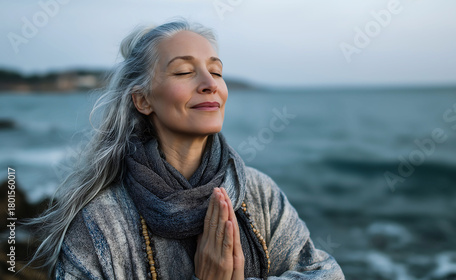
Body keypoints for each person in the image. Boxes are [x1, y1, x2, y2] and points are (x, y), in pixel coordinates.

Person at [30, 20, 345, 279]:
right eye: (183, 72)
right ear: (143, 100)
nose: (210, 83)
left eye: (217, 71)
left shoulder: (259, 193)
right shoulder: (99, 224)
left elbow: (326, 274)